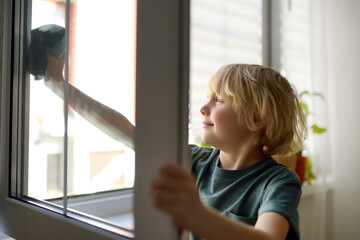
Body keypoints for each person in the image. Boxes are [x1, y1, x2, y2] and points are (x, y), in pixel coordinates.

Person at [44, 52, 306, 240]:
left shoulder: (279, 182)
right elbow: (123, 129)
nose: (204, 108)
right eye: (207, 99)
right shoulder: (194, 160)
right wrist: (59, 85)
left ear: (258, 119)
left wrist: (197, 215)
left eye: (220, 100)